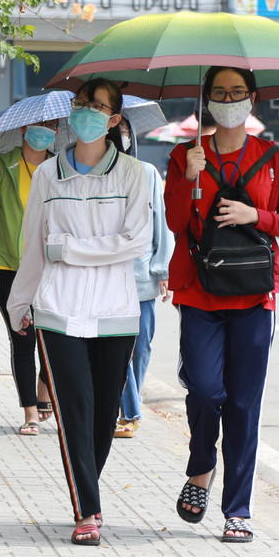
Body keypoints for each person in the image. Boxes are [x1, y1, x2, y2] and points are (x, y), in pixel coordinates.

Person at [6, 79, 152, 546]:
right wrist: (19, 302)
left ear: (113, 120)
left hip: (116, 310)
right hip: (57, 307)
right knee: (75, 411)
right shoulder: (49, 175)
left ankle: (85, 486)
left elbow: (135, 243)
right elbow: (34, 244)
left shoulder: (135, 174)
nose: (86, 112)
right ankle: (87, 508)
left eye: (97, 107)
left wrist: (67, 249)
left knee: (104, 412)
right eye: (81, 105)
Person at [165, 67, 279, 543]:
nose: (229, 99)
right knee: (204, 389)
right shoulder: (185, 155)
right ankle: (201, 466)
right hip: (199, 292)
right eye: (220, 93)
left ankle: (238, 508)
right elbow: (174, 221)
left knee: (244, 402)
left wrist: (255, 215)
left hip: (253, 294)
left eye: (237, 92)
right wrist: (187, 177)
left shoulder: (274, 158)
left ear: (253, 100)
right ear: (205, 100)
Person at [0, 120, 58, 435]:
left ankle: (45, 388)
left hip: (50, 269)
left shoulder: (61, 167)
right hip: (8, 268)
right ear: (23, 129)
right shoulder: (1, 166)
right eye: (38, 126)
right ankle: (31, 413)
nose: (45, 131)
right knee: (23, 340)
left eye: (52, 126)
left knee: (55, 339)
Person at [115, 155, 174, 438]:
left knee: (141, 347)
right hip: (105, 273)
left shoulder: (147, 171)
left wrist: (163, 268)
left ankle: (127, 406)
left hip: (141, 274)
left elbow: (159, 218)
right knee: (117, 345)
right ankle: (129, 411)